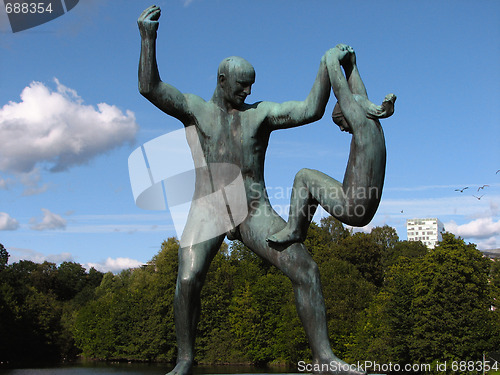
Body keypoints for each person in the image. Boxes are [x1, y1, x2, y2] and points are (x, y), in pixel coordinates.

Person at [138, 5, 373, 375]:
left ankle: (323, 357)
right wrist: (148, 38)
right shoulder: (198, 110)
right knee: (187, 278)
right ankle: (185, 359)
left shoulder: (259, 114)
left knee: (306, 270)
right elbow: (150, 87)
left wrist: (327, 64)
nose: (249, 90)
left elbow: (311, 109)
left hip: (252, 208)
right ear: (221, 81)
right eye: (242, 85)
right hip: (210, 207)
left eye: (251, 84)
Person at [267, 45, 396, 245]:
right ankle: (298, 227)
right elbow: (358, 96)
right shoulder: (373, 126)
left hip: (352, 206)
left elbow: (342, 93)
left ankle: (294, 229)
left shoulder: (361, 127)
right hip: (364, 206)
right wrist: (351, 65)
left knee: (303, 176)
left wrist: (332, 59)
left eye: (341, 122)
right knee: (312, 185)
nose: (343, 129)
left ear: (349, 115)